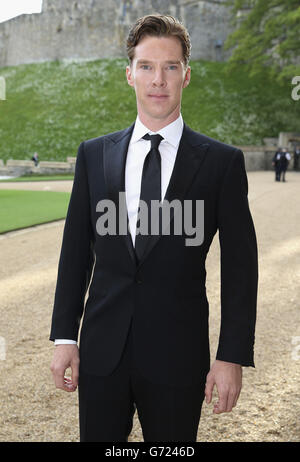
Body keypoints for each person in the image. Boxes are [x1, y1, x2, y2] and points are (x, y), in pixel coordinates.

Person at [49, 14, 258, 442]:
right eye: (146, 66)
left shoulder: (221, 164)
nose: (158, 79)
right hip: (102, 353)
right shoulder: (93, 155)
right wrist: (64, 336)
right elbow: (74, 252)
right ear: (130, 75)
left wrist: (231, 355)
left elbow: (241, 267)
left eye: (170, 66)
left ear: (186, 75)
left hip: (178, 358)